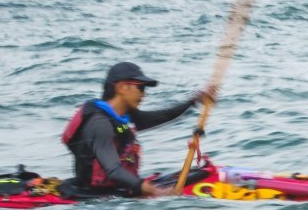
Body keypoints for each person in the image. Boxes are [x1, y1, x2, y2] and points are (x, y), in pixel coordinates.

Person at [60, 61, 214, 198]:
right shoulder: (100, 124)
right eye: (140, 87)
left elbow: (163, 116)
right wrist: (154, 192)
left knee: (200, 174)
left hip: (119, 188)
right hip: (95, 197)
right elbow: (113, 170)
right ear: (122, 87)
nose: (144, 94)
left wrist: (195, 100)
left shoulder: (123, 117)